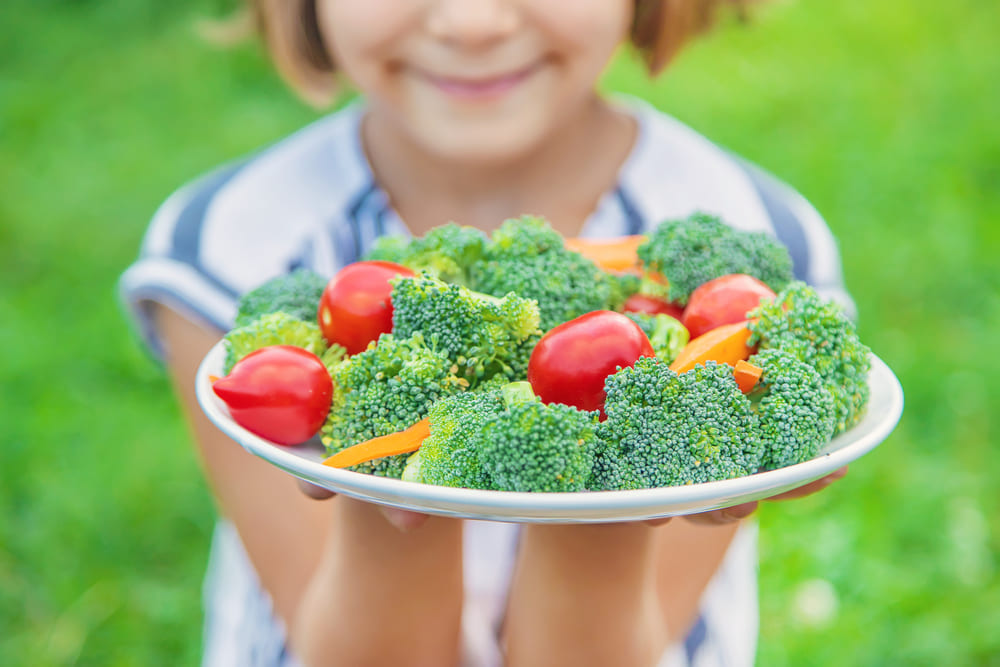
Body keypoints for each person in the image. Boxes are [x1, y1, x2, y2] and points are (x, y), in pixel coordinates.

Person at [119, 1, 852, 665]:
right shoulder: (234, 245)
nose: (473, 22)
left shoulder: (759, 247)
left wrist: (620, 474)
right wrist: (386, 465)